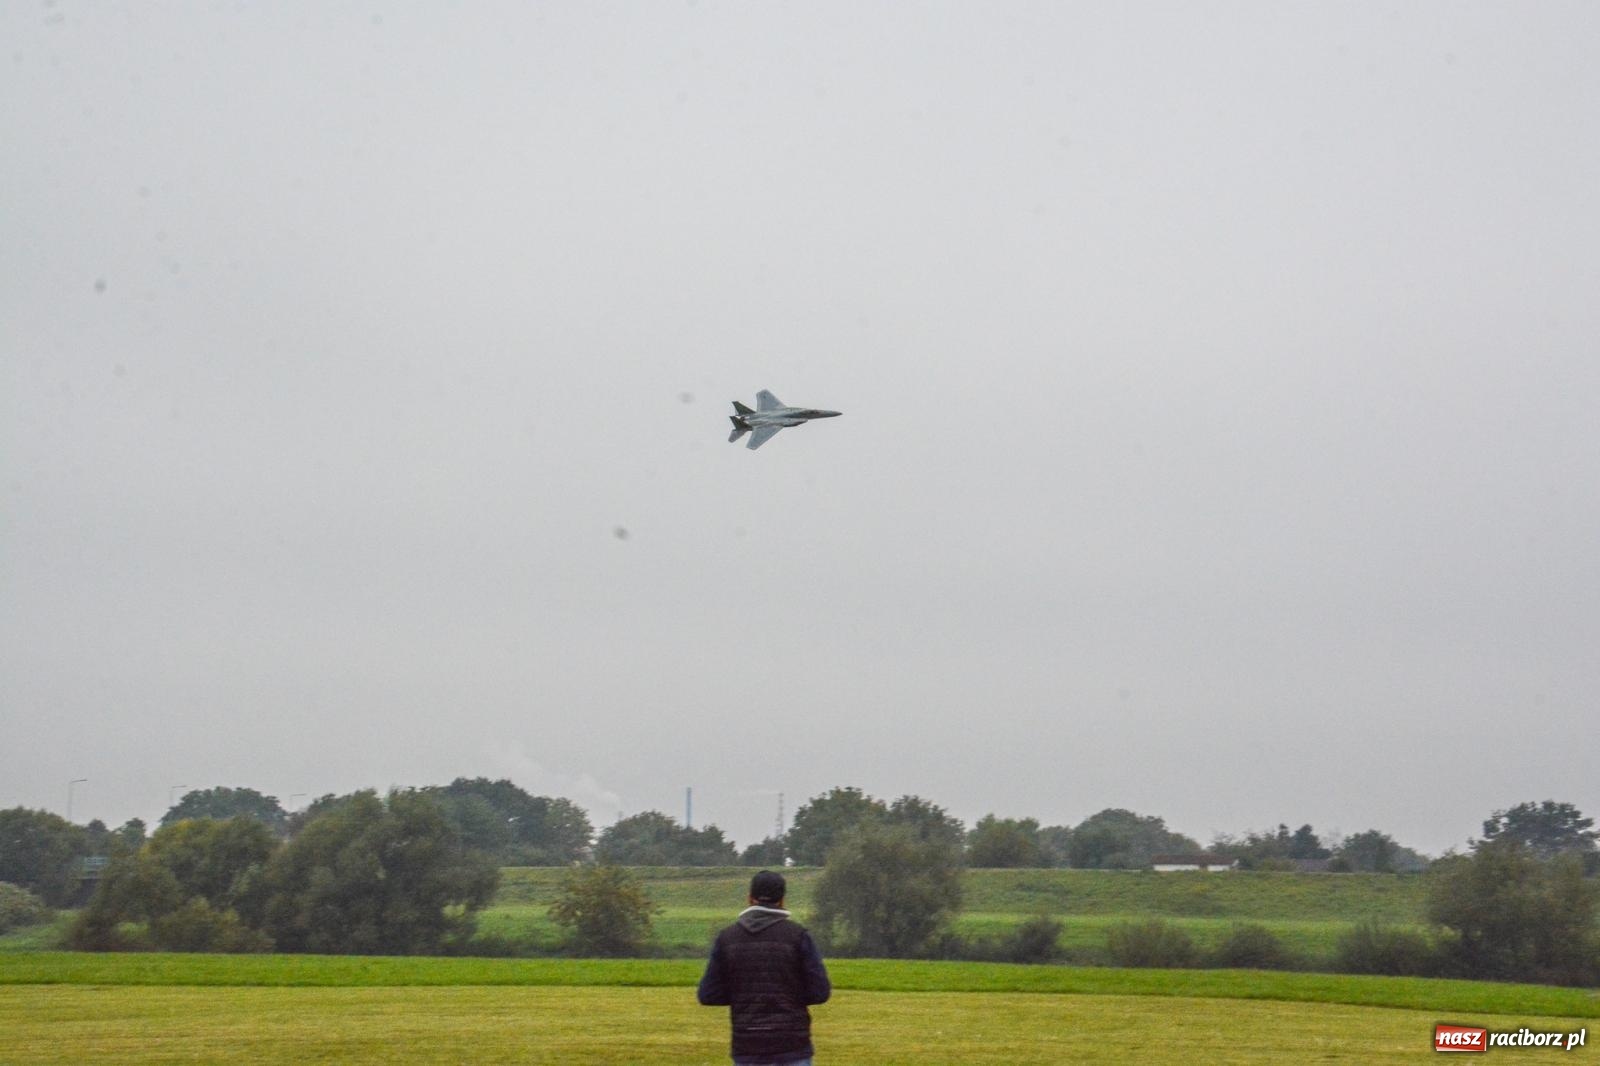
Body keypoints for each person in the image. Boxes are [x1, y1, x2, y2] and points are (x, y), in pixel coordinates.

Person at [697, 870, 831, 1066]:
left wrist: (741, 994)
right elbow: (820, 992)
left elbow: (708, 995)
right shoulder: (798, 936)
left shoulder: (727, 938)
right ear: (782, 900)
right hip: (792, 1044)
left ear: (750, 898)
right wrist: (790, 995)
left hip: (747, 1045)